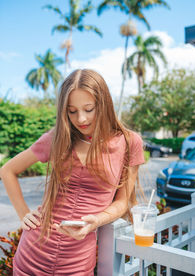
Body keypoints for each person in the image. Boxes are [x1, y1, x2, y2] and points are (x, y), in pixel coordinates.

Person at [0, 69, 145, 275]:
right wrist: (23, 214)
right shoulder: (57, 138)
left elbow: (123, 202)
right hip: (32, 254)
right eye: (72, 111)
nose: (81, 119)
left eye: (89, 109)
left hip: (77, 260)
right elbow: (7, 170)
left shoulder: (129, 142)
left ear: (103, 104)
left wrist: (98, 220)